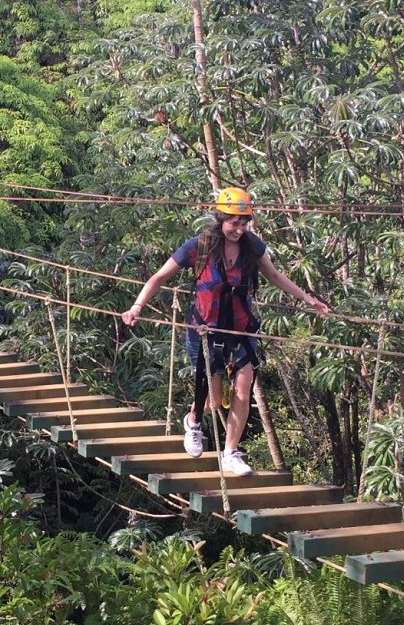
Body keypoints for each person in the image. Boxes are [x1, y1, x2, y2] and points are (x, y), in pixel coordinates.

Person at [121, 186, 330, 476]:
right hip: (205, 330)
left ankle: (230, 453)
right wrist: (136, 307)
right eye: (234, 222)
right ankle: (193, 420)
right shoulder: (199, 246)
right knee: (214, 400)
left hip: (241, 330)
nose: (239, 229)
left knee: (243, 392)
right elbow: (158, 277)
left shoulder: (252, 247)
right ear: (221, 218)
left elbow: (274, 275)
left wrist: (307, 298)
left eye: (244, 223)